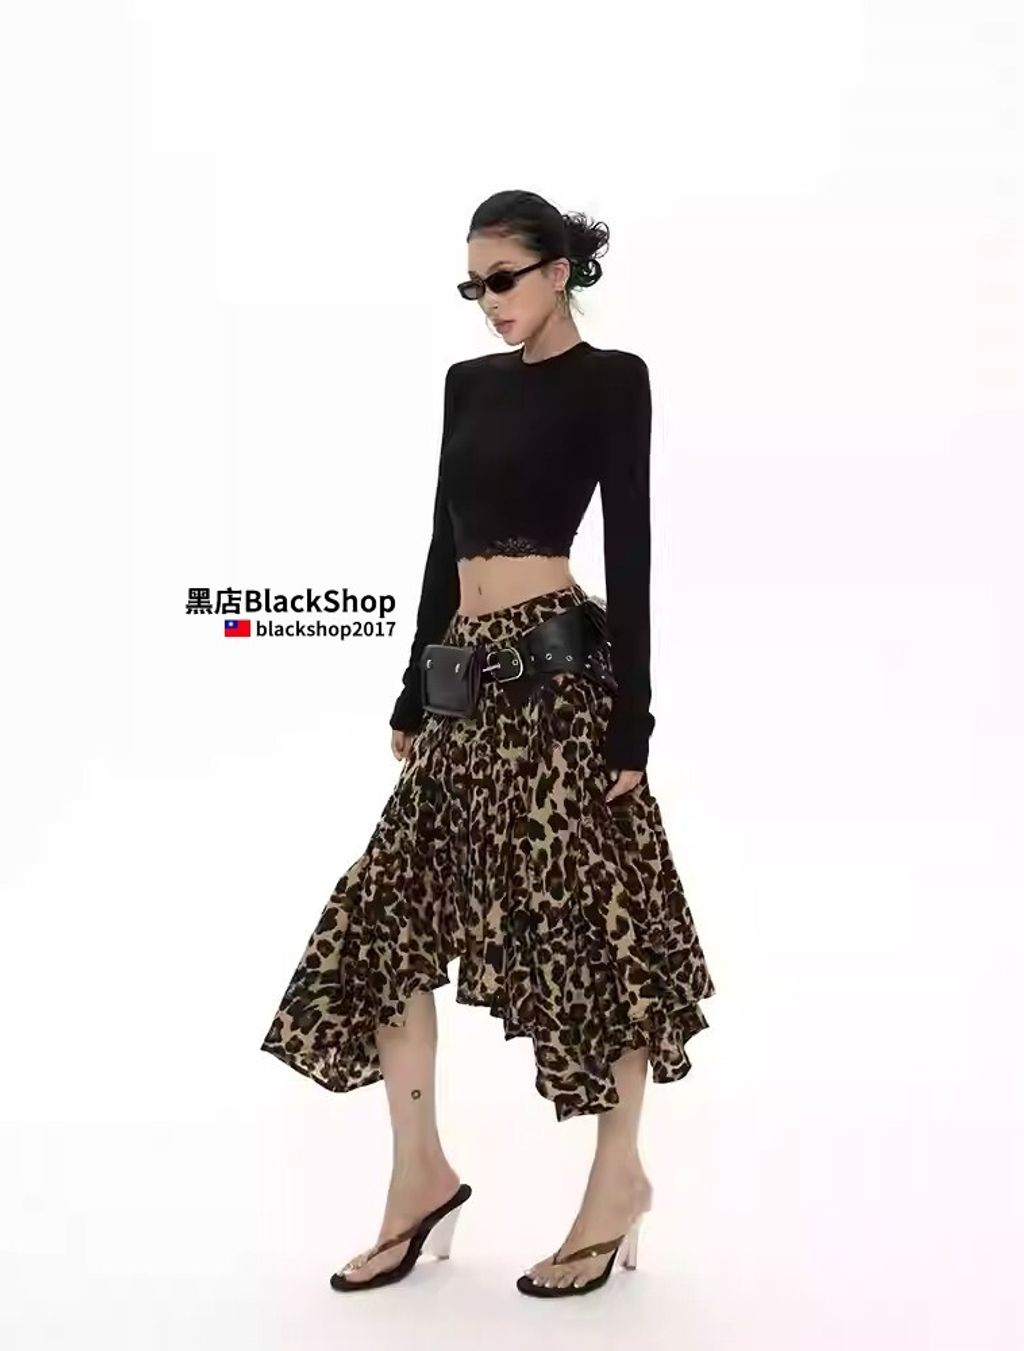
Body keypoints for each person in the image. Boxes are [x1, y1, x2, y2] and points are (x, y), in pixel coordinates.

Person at [260, 189, 717, 1298]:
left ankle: (617, 1182)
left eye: (503, 278)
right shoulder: (466, 384)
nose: (488, 303)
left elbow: (632, 548)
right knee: (384, 923)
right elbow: (441, 544)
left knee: (595, 937)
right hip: (463, 692)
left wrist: (634, 720)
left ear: (560, 270)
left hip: (561, 695)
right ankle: (419, 1177)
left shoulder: (613, 381)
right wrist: (412, 688)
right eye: (473, 285)